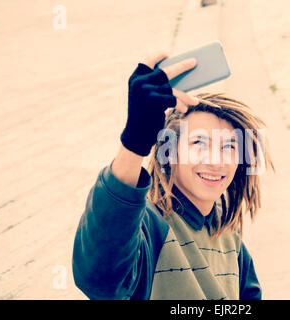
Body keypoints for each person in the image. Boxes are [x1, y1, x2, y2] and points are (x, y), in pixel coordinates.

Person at [72, 52, 275, 300]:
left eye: (229, 146)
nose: (215, 160)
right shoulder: (149, 226)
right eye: (199, 142)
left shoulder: (231, 241)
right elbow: (99, 279)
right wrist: (134, 143)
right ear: (169, 153)